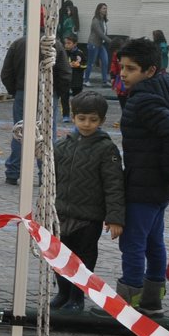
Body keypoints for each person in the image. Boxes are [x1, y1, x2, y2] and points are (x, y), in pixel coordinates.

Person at [113, 37, 169, 317]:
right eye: (122, 68)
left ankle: (129, 302)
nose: (123, 74)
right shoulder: (157, 93)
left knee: (133, 242)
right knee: (153, 242)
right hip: (155, 186)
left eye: (130, 69)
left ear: (150, 71)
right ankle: (153, 299)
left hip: (146, 184)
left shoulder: (144, 100)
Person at [51, 92, 124, 312]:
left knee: (83, 260)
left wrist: (115, 218)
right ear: (72, 117)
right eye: (82, 118)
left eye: (93, 120)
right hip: (61, 213)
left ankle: (77, 297)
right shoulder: (62, 146)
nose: (86, 124)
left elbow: (114, 185)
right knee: (59, 258)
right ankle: (63, 293)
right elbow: (50, 177)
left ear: (101, 121)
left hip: (89, 217)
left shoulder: (106, 149)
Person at [0, 33, 70, 186]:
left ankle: (13, 172)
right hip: (47, 94)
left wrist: (17, 90)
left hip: (23, 92)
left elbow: (6, 73)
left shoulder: (18, 44)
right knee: (46, 134)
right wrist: (56, 93)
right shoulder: (55, 45)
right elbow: (65, 74)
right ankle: (45, 174)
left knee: (21, 131)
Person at [86, 2, 111, 89]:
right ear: (99, 10)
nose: (105, 10)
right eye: (104, 8)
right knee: (91, 63)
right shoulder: (95, 20)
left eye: (106, 8)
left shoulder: (103, 20)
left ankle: (105, 81)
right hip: (93, 44)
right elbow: (100, 34)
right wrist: (111, 42)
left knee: (105, 62)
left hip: (101, 44)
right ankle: (86, 81)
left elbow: (104, 33)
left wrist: (107, 41)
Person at [63, 34, 87, 112]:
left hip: (77, 80)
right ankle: (65, 114)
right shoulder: (63, 52)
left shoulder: (80, 53)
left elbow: (85, 65)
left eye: (69, 43)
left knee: (77, 98)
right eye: (65, 43)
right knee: (64, 97)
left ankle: (76, 113)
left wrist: (79, 65)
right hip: (66, 79)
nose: (66, 45)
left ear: (75, 44)